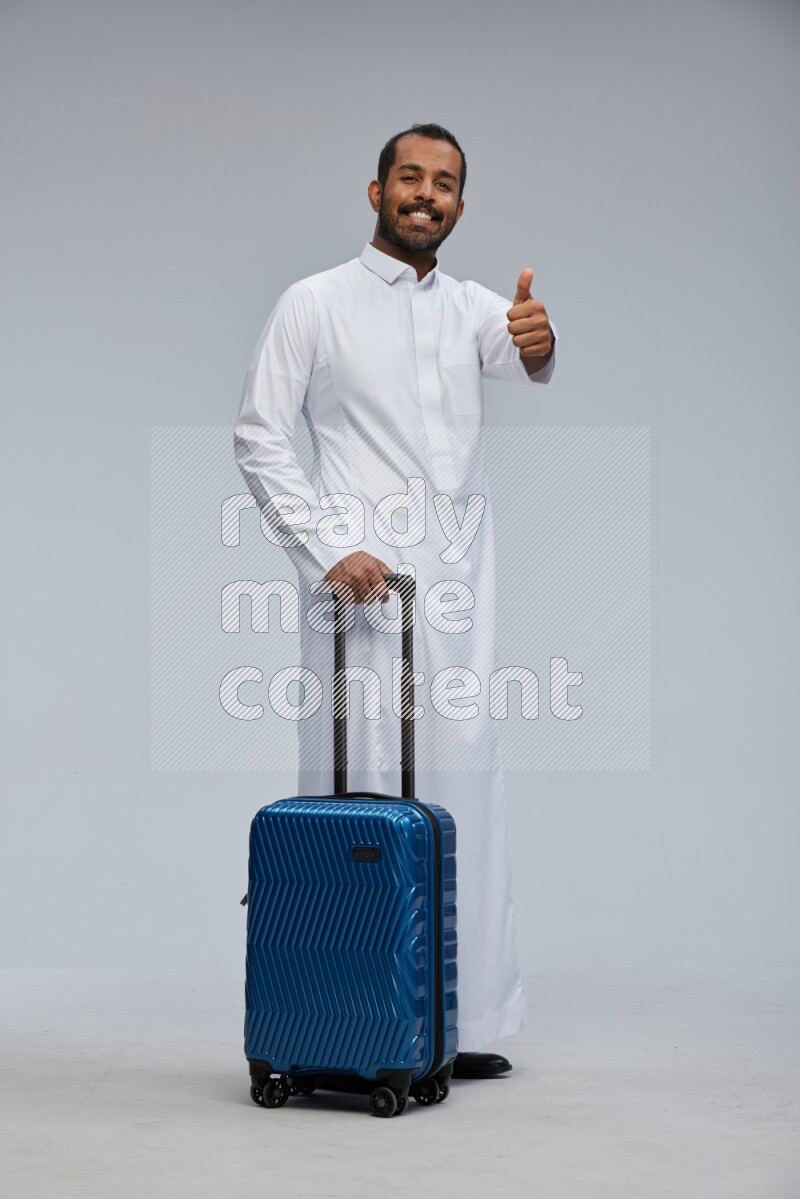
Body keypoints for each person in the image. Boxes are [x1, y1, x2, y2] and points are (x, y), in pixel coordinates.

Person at [235, 123, 556, 1080]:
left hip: (456, 593)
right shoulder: (314, 303)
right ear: (373, 191)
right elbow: (259, 434)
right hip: (359, 592)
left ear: (460, 204)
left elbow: (526, 354)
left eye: (446, 183)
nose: (427, 194)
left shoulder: (471, 308)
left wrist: (541, 341)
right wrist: (329, 550)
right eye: (409, 177)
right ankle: (352, 1026)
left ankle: (450, 1021)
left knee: (462, 787)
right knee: (360, 792)